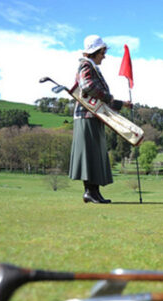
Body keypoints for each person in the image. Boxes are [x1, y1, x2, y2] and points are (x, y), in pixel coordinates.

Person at [69, 35, 131, 204]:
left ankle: (94, 193)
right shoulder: (85, 65)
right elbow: (87, 86)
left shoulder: (91, 66)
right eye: (102, 52)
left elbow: (97, 95)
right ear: (95, 52)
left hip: (92, 116)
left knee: (94, 154)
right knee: (90, 154)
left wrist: (120, 103)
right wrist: (110, 97)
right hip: (86, 116)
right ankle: (90, 192)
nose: (104, 55)